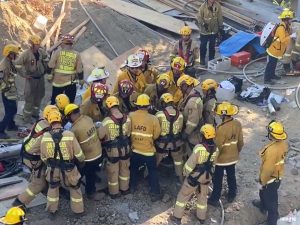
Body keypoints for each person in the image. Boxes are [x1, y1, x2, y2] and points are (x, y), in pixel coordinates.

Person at [40, 110, 85, 218]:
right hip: (69, 169)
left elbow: (43, 157)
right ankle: (78, 212)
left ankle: (52, 211)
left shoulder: (45, 137)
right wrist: (81, 161)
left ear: (50, 122)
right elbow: (79, 153)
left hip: (53, 169)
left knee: (53, 188)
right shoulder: (69, 134)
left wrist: (50, 163)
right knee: (75, 188)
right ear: (60, 120)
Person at [171, 124, 219, 225]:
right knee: (202, 197)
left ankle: (177, 217)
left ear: (203, 136)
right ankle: (201, 217)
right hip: (206, 177)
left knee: (183, 196)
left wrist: (185, 173)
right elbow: (214, 163)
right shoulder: (216, 148)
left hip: (194, 177)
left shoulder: (199, 148)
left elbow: (190, 164)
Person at [12, 105, 58, 208]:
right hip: (33, 159)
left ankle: (44, 188)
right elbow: (48, 151)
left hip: (25, 152)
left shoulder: (40, 121)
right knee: (38, 184)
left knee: (41, 172)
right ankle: (19, 203)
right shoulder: (48, 132)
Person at [64, 103, 104, 201]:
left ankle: (87, 191)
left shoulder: (74, 129)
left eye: (68, 117)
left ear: (70, 115)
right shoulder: (87, 118)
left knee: (81, 174)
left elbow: (75, 147)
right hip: (98, 153)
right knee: (92, 171)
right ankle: (92, 181)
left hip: (89, 158)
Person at [252, 121, 288, 225]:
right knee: (263, 193)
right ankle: (263, 206)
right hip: (276, 176)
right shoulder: (283, 144)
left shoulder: (272, 150)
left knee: (271, 201)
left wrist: (262, 181)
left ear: (271, 134)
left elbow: (267, 169)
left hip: (270, 179)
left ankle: (272, 221)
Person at [208, 102, 244, 205]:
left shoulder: (221, 129)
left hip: (222, 159)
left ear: (223, 115)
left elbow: (217, 146)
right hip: (233, 157)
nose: (218, 115)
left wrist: (212, 160)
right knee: (231, 176)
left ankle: (214, 198)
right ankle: (232, 194)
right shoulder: (237, 124)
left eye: (220, 113)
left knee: (217, 179)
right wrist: (236, 152)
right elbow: (241, 142)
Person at [129, 94, 162, 202]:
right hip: (148, 152)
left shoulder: (131, 115)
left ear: (137, 105)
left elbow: (127, 131)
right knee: (153, 171)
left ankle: (132, 187)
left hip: (135, 150)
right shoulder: (153, 118)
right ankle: (155, 193)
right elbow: (157, 134)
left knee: (133, 169)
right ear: (148, 106)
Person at [101, 96, 131, 198]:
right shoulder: (127, 118)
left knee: (113, 172)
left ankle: (114, 193)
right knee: (125, 169)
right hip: (125, 149)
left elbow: (101, 136)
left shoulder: (106, 121)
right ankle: (125, 189)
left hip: (112, 151)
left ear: (108, 107)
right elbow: (129, 133)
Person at [14, 35, 48, 123]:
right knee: (29, 99)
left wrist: (45, 67)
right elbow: (17, 64)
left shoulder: (41, 52)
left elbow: (46, 58)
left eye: (38, 44)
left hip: (40, 79)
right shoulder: (26, 54)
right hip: (31, 79)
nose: (38, 46)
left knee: (39, 97)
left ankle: (35, 114)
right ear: (32, 44)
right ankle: (26, 118)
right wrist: (24, 75)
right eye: (36, 44)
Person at [47, 34, 84, 104]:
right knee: (70, 103)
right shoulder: (77, 54)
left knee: (55, 101)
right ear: (72, 44)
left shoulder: (58, 52)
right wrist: (81, 80)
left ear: (63, 43)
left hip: (58, 82)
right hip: (71, 82)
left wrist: (49, 75)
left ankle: (53, 113)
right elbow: (80, 70)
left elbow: (50, 65)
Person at [155, 93, 184, 182]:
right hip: (176, 142)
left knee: (156, 159)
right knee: (178, 160)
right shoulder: (180, 114)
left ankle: (149, 175)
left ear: (163, 103)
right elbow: (180, 128)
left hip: (161, 143)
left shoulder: (159, 114)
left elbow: (156, 129)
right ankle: (180, 177)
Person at [264, 8, 295, 84]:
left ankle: (272, 75)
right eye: (290, 19)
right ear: (286, 19)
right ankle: (267, 79)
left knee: (274, 64)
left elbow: (286, 35)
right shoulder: (281, 28)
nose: (291, 20)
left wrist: (291, 33)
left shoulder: (286, 27)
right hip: (274, 50)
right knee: (270, 65)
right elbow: (282, 40)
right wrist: (291, 36)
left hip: (278, 50)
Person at [177, 75, 203, 156]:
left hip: (193, 135)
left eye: (181, 86)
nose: (180, 89)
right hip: (191, 132)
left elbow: (193, 122)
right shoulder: (190, 95)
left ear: (185, 86)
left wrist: (185, 133)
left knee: (191, 154)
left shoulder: (192, 102)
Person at [0, 44, 20, 139]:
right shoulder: (4, 65)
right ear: (10, 54)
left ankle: (11, 125)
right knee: (10, 111)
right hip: (7, 92)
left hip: (10, 91)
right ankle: (1, 130)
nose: (16, 55)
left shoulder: (9, 62)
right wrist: (6, 88)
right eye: (15, 54)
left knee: (13, 109)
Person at [197, 0, 223, 66]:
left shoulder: (217, 6)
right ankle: (202, 59)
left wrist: (220, 27)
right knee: (203, 45)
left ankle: (211, 58)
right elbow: (199, 17)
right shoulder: (203, 7)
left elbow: (220, 17)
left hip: (214, 30)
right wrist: (203, 24)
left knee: (212, 45)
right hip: (204, 31)